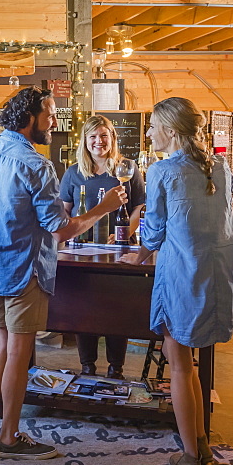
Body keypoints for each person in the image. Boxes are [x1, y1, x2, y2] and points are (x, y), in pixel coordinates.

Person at [0, 86, 127, 459]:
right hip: (24, 271)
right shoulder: (36, 164)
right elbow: (61, 229)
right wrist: (103, 207)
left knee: (3, 345)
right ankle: (9, 437)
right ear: (30, 117)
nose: (54, 121)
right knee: (18, 350)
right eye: (49, 114)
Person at [120, 97, 233, 465]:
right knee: (193, 366)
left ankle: (189, 457)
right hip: (215, 274)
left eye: (153, 125)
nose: (149, 132)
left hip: (180, 274)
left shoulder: (162, 171)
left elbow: (153, 231)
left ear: (170, 131)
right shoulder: (220, 166)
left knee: (180, 367)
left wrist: (136, 257)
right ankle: (201, 443)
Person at [58, 114, 145, 379]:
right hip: (82, 250)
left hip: (118, 250)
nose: (99, 141)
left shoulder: (127, 168)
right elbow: (64, 212)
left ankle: (115, 367)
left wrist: (123, 234)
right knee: (86, 310)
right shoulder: (73, 172)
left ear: (113, 138)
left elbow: (138, 207)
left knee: (116, 309)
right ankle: (87, 365)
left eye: (104, 135)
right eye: (93, 136)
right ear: (85, 140)